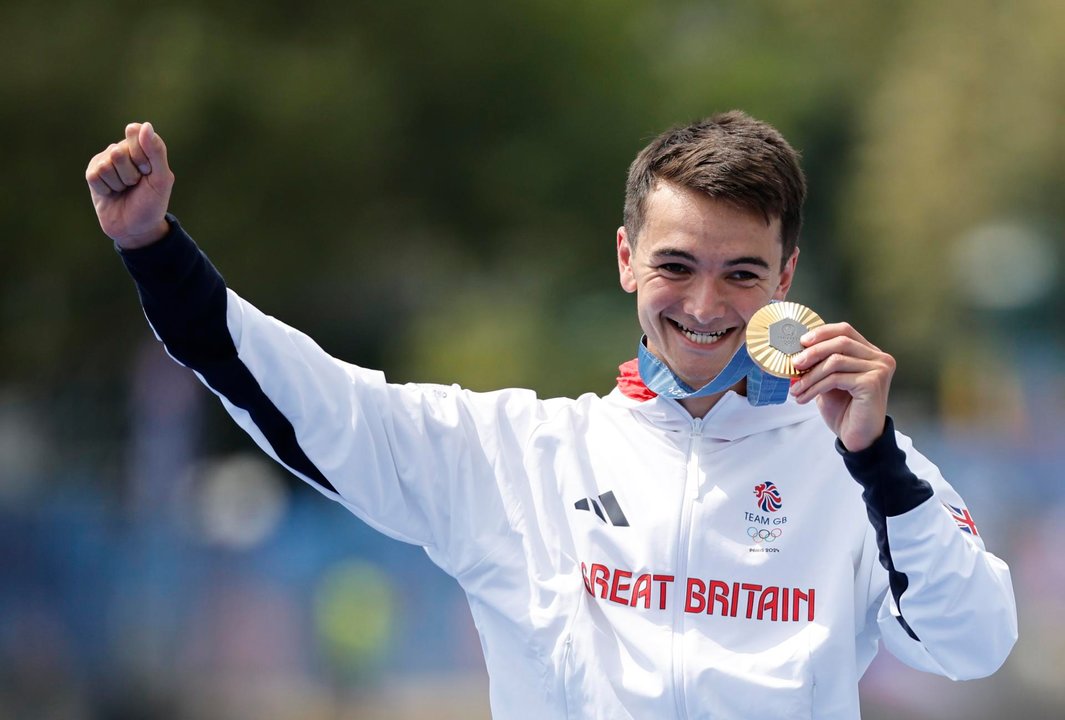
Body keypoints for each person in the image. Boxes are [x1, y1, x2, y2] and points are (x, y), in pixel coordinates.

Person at [86, 112, 1017, 719]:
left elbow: (973, 644)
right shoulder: (518, 454)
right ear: (624, 257)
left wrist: (881, 464)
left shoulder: (861, 467)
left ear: (784, 277)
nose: (703, 305)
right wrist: (154, 251)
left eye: (740, 273)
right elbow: (303, 399)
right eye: (674, 266)